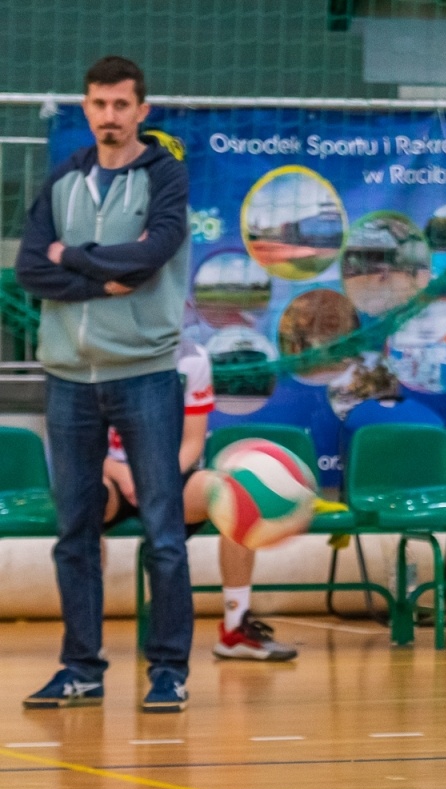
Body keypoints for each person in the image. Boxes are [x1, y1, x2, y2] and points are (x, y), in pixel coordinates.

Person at [14, 56, 194, 712]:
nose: (109, 116)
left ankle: (169, 671)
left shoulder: (166, 177)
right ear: (85, 109)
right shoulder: (64, 179)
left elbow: (149, 258)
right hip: (66, 378)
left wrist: (75, 257)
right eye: (98, 104)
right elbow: (32, 267)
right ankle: (81, 669)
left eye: (121, 105)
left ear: (142, 111)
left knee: (165, 533)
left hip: (144, 373)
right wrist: (94, 275)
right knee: (74, 534)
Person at [101, 341, 296, 662]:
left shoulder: (191, 357)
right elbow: (78, 448)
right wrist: (123, 475)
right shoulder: (99, 348)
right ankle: (89, 638)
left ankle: (236, 630)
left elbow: (192, 442)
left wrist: (156, 476)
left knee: (236, 494)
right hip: (112, 472)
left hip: (168, 472)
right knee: (85, 500)